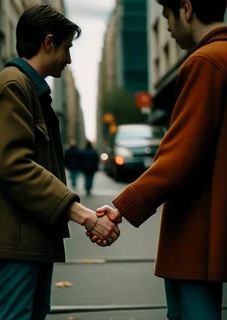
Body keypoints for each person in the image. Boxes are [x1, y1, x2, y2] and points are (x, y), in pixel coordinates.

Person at [0, 5, 120, 320]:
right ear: (48, 42)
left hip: (30, 233)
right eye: (67, 49)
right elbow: (14, 166)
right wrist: (85, 216)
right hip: (18, 237)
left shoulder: (29, 89)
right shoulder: (13, 86)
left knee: (31, 314)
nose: (68, 59)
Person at [88, 0, 227, 319]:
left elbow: (180, 155)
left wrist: (120, 207)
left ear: (187, 9)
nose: (166, 25)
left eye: (167, 16)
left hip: (198, 228)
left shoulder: (205, 61)